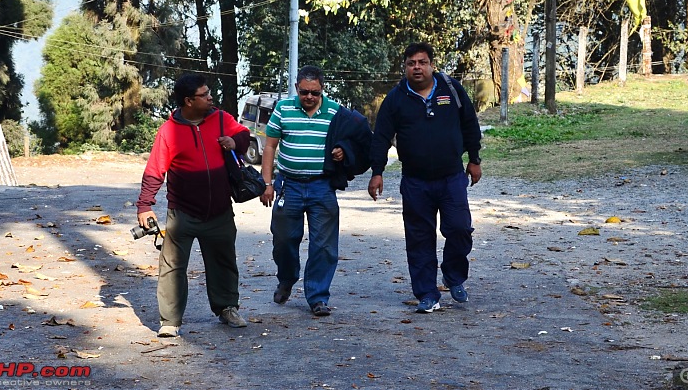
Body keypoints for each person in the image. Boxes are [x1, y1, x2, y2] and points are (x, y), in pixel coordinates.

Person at [368, 42, 482, 314]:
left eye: (422, 62)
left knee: (460, 229)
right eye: (411, 63)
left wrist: (474, 159)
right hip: (415, 182)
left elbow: (469, 124)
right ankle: (427, 294)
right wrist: (377, 172)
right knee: (419, 238)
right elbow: (381, 137)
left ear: (432, 64)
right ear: (405, 67)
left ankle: (453, 276)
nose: (416, 67)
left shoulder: (451, 89)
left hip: (452, 177)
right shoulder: (395, 99)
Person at [136, 73, 251, 337]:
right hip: (182, 213)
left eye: (209, 93)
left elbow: (244, 136)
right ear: (189, 101)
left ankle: (227, 308)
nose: (211, 98)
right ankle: (170, 321)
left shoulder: (222, 119)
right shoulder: (168, 131)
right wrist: (144, 205)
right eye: (204, 94)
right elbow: (155, 171)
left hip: (220, 210)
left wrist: (235, 142)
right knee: (172, 267)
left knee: (223, 261)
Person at [260, 66, 371, 317]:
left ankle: (318, 297)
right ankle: (287, 279)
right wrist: (267, 184)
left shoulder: (336, 112)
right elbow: (269, 148)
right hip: (289, 185)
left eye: (315, 92)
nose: (309, 97)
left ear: (322, 89)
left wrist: (344, 149)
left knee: (324, 246)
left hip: (322, 185)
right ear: (297, 88)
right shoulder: (283, 109)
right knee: (284, 239)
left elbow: (359, 137)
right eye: (304, 92)